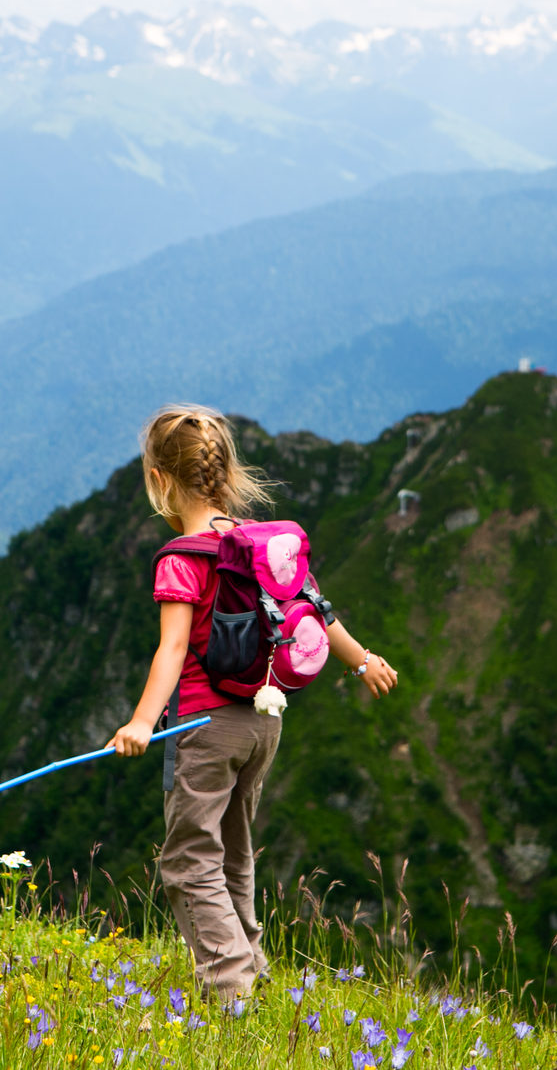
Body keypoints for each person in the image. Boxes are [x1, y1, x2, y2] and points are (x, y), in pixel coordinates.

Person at [107, 403, 400, 1000]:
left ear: (158, 478)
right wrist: (364, 661)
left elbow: (172, 650)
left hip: (204, 729)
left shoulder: (182, 557)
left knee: (189, 861)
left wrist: (141, 722)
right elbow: (317, 611)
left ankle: (231, 988)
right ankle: (254, 971)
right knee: (235, 853)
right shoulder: (264, 549)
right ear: (223, 473)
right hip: (263, 724)